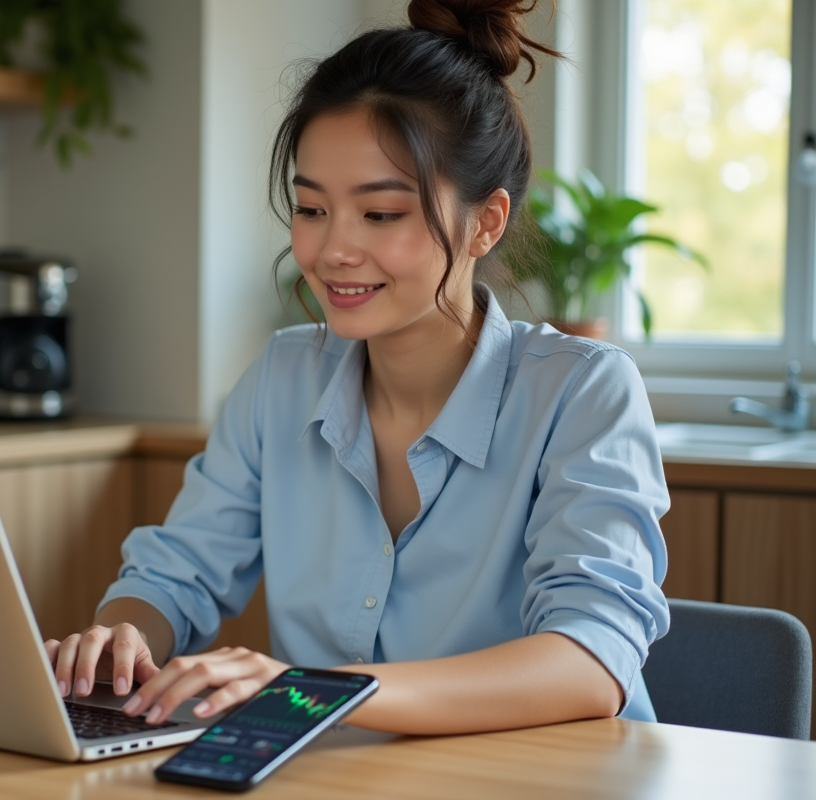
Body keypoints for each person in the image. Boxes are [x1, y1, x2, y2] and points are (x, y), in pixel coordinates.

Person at [45, 0, 670, 735]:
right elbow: (173, 575)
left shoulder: (582, 390)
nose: (333, 250)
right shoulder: (283, 379)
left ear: (486, 223)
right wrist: (121, 638)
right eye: (311, 210)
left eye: (380, 215)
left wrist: (314, 690)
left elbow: (590, 661)